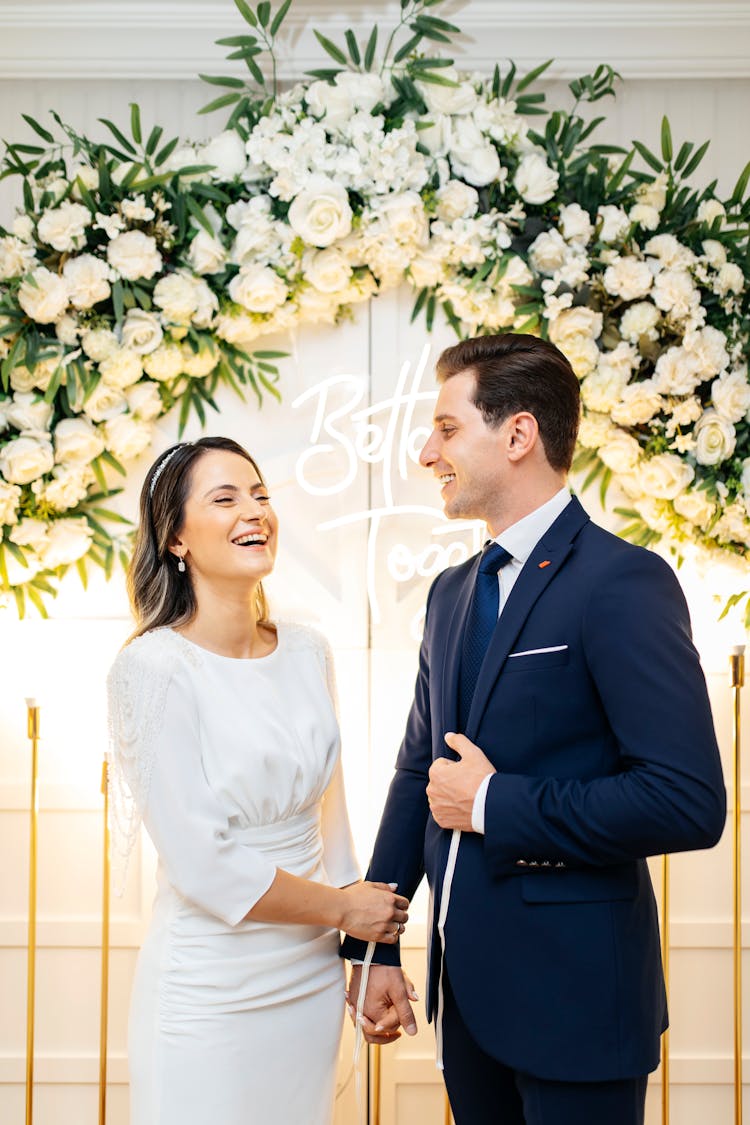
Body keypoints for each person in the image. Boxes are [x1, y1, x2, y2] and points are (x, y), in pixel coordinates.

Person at [342, 333, 726, 1125]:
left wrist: (493, 805)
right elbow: (420, 771)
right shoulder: (452, 592)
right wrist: (376, 944)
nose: (425, 452)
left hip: (579, 1005)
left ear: (517, 434)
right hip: (465, 1007)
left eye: (446, 429)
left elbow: (686, 800)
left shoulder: (624, 581)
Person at [107, 435, 409, 1125]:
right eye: (226, 497)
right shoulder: (151, 670)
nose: (256, 511)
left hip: (306, 981)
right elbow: (202, 864)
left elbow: (331, 821)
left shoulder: (308, 649)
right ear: (176, 537)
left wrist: (364, 956)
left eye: (262, 494)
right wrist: (343, 911)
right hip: (208, 988)